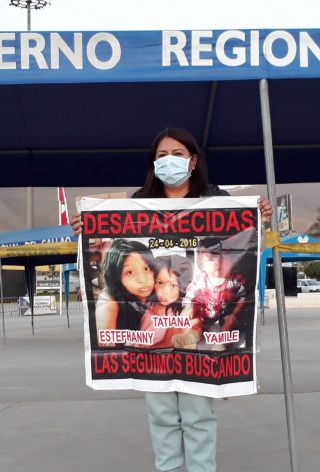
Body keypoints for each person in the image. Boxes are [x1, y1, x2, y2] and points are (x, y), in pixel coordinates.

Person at [72, 127, 272, 472]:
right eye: (162, 155)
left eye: (177, 154)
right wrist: (86, 227)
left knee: (197, 414)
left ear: (193, 161)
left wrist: (260, 220)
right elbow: (112, 249)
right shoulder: (137, 204)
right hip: (152, 336)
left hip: (198, 332)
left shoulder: (217, 200)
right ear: (153, 163)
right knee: (161, 413)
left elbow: (245, 251)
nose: (169, 161)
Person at [95, 239, 155, 346]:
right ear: (117, 276)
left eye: (146, 268)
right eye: (130, 272)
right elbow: (105, 350)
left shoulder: (160, 293)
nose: (142, 279)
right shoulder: (109, 301)